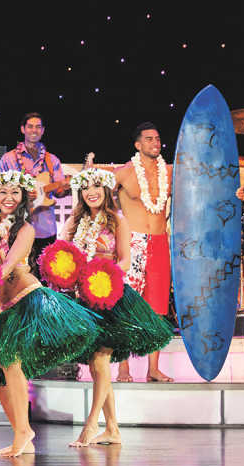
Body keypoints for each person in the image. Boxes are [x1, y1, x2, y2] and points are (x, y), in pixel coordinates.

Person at [0, 169, 99, 458]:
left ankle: (23, 432)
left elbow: (8, 265)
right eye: (3, 192)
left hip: (27, 300)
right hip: (6, 307)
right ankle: (22, 434)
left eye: (15, 192)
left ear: (24, 197)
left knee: (10, 363)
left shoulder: (26, 229)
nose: (9, 197)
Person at [60, 168, 172, 447]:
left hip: (109, 295)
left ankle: (90, 426)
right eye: (86, 188)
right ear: (81, 193)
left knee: (100, 360)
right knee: (97, 365)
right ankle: (112, 429)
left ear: (107, 190)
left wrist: (101, 273)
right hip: (82, 299)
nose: (91, 192)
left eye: (97, 186)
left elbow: (124, 261)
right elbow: (62, 253)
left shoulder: (117, 220)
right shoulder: (75, 220)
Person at [114, 122, 174, 383]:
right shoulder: (125, 173)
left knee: (158, 308)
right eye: (149, 139)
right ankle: (123, 367)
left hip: (161, 241)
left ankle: (153, 368)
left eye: (158, 138)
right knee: (127, 305)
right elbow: (91, 192)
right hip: (134, 242)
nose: (155, 143)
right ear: (138, 145)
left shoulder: (169, 172)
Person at [0, 112, 69, 277]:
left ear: (43, 130)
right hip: (15, 225)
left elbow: (58, 193)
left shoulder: (52, 160)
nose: (34, 130)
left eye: (38, 127)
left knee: (43, 276)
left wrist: (64, 188)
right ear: (23, 129)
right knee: (15, 276)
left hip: (45, 227)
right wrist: (19, 194)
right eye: (30, 126)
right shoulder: (9, 159)